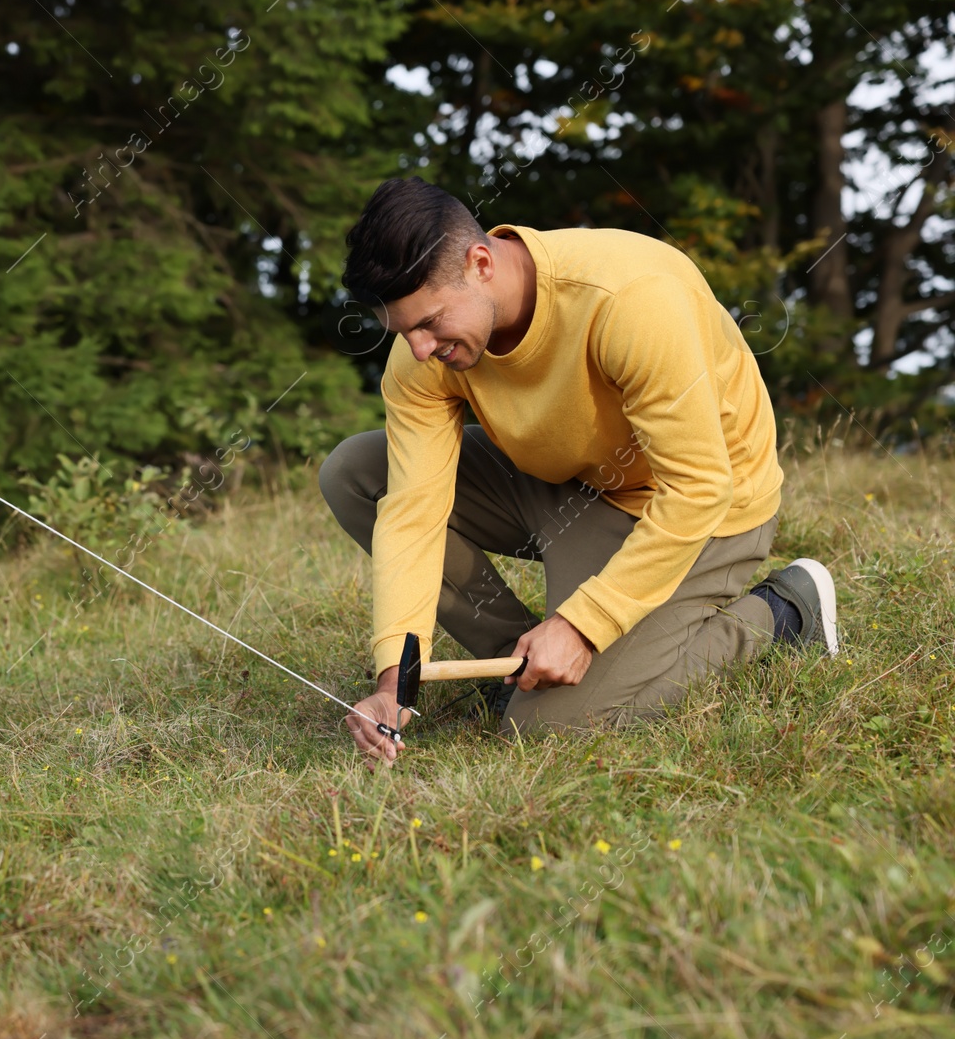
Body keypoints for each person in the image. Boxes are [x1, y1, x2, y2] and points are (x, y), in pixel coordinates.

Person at [320, 178, 838, 763]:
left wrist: (583, 625)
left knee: (548, 733)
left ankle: (786, 611)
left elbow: (698, 487)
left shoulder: (632, 299)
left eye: (431, 323)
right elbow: (412, 512)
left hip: (698, 507)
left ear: (481, 262)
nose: (418, 348)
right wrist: (396, 680)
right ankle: (512, 668)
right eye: (403, 330)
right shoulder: (427, 351)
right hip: (568, 481)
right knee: (356, 471)